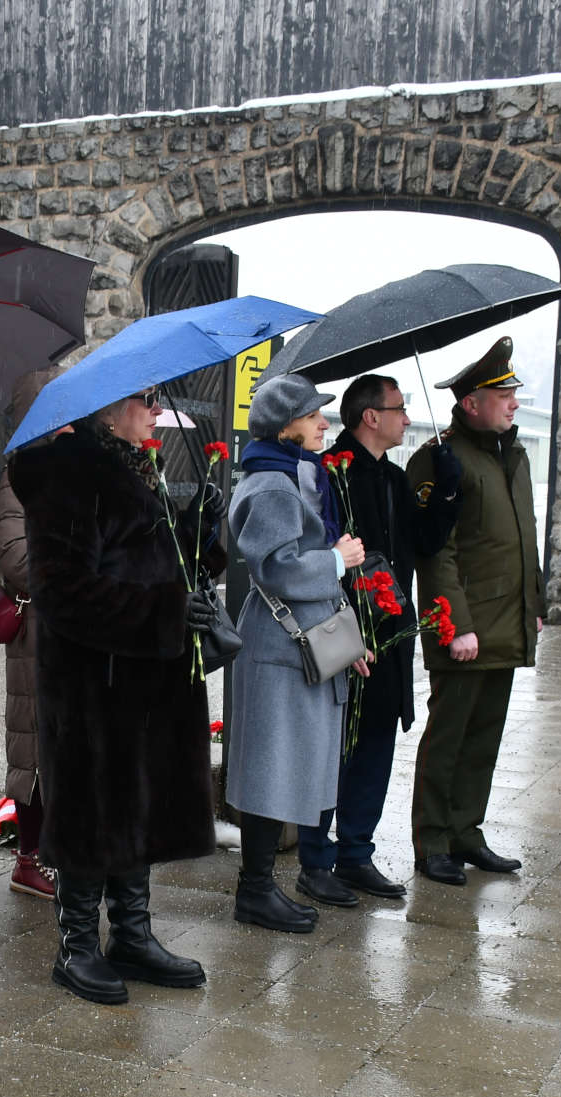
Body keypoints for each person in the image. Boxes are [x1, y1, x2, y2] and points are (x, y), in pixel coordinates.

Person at [10, 386, 224, 999]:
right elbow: (63, 591)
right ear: (106, 406)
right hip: (91, 682)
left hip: (141, 675)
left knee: (135, 802)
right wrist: (164, 610)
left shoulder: (134, 465)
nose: (157, 409)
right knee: (91, 808)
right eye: (145, 398)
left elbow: (162, 563)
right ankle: (76, 944)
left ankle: (131, 934)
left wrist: (202, 528)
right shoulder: (68, 473)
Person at [294, 373, 463, 907]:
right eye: (399, 408)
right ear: (371, 416)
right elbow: (320, 552)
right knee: (335, 745)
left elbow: (424, 541)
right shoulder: (327, 473)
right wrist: (348, 621)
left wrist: (448, 487)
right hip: (345, 629)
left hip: (390, 629)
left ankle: (356, 852)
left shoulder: (392, 479)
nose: (407, 417)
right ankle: (315, 859)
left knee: (376, 741)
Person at [226, 374, 370, 933]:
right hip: (280, 645)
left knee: (280, 765)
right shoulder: (271, 486)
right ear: (284, 424)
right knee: (270, 768)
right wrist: (337, 560)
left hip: (298, 643)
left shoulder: (283, 477)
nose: (323, 424)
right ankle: (255, 892)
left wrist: (344, 642)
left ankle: (260, 889)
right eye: (313, 416)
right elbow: (278, 568)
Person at [407, 337, 542, 885]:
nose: (513, 402)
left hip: (507, 621)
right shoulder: (440, 459)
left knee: (485, 735)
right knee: (450, 735)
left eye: (513, 392)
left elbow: (523, 540)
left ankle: (466, 831)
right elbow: (437, 552)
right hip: (466, 627)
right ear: (471, 404)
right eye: (503, 394)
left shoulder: (513, 454)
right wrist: (455, 625)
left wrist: (535, 603)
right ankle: (433, 839)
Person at [0, 369, 59, 899]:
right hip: (35, 634)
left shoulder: (72, 472)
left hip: (70, 629)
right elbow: (18, 561)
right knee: (32, 748)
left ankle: (57, 851)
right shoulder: (16, 478)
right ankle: (28, 859)